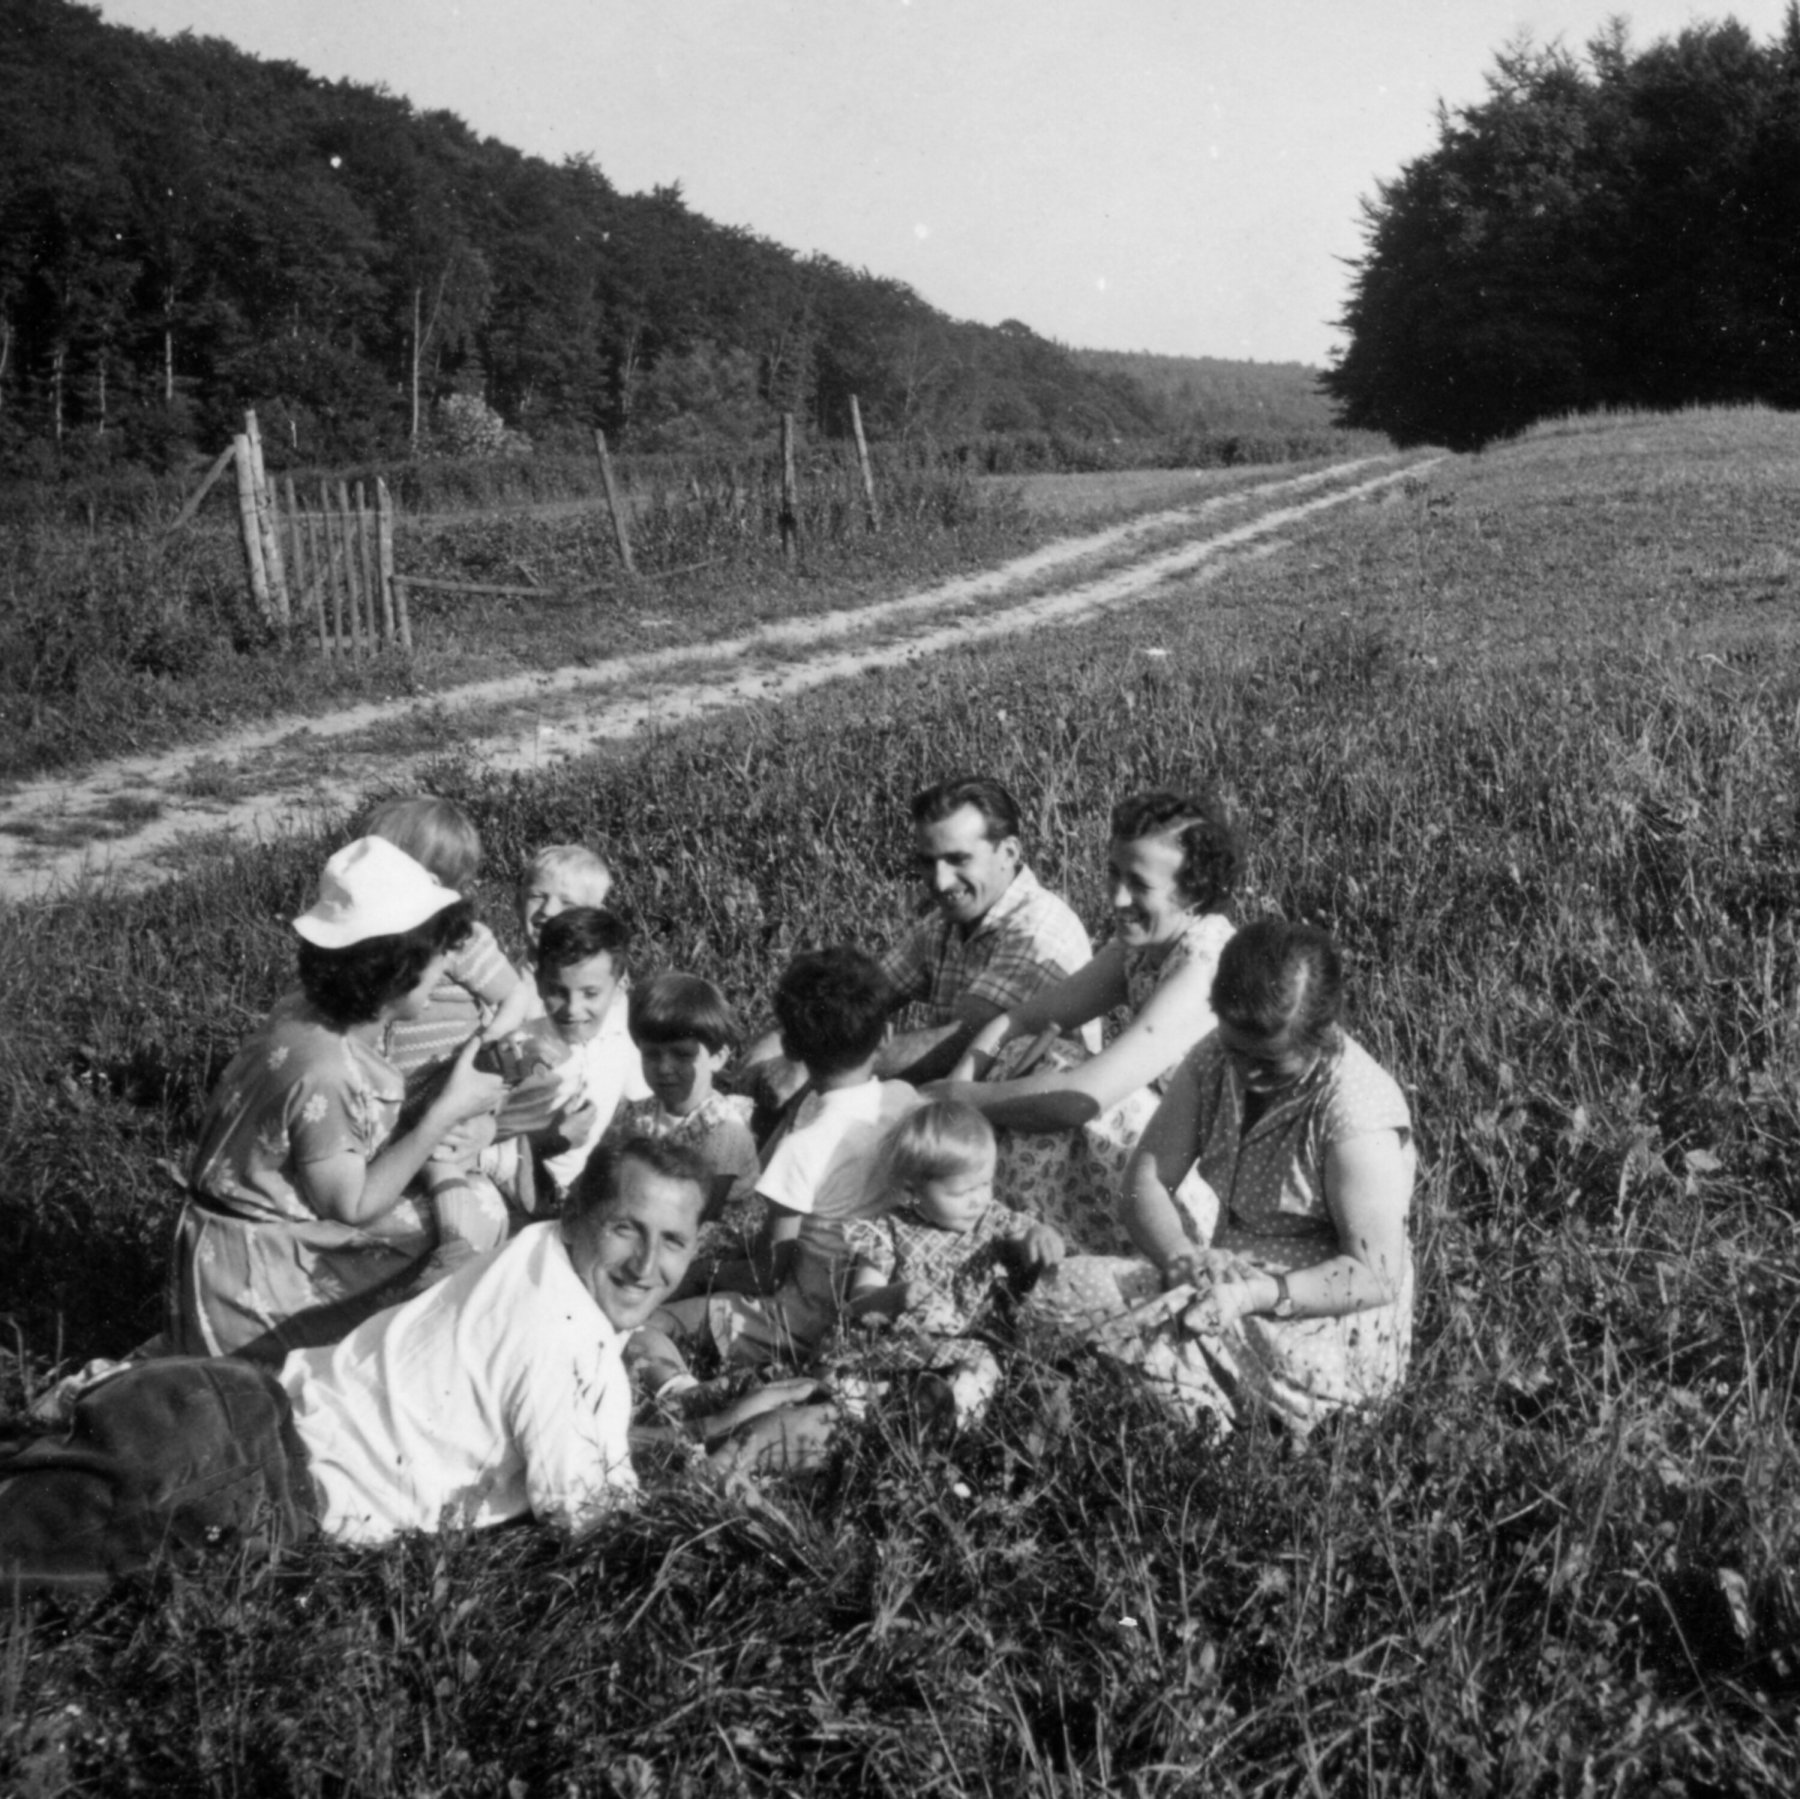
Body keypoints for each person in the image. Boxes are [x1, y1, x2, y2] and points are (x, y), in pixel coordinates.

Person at [0, 1139, 708, 1590]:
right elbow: (592, 1520)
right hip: (235, 1481)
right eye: (627, 1228)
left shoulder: (539, 1250)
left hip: (223, 1400)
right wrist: (729, 1462)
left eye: (673, 1240)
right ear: (581, 1210)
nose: (648, 1264)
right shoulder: (566, 1339)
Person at [1024, 920, 1415, 1434]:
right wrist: (1179, 1257)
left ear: (1321, 1035)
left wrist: (1259, 1294)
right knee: (1060, 1292)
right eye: (1238, 1052)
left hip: (1318, 1329)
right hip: (1223, 1282)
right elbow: (1146, 1181)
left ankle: (1224, 1426)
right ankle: (1193, 1405)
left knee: (1105, 1320)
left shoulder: (1355, 1114)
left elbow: (1373, 1275)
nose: (1247, 1075)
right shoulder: (1215, 1058)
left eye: (1270, 1063)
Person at [166, 838, 508, 1363]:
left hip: (230, 1244)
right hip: (252, 1278)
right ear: (397, 972)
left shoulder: (305, 1014)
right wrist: (444, 1114)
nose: (446, 972)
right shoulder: (329, 1070)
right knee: (475, 1210)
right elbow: (350, 1206)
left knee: (457, 1199)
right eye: (439, 959)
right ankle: (388, 1355)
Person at [933, 788, 1241, 1251]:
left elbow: (1082, 1099)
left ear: (1193, 891)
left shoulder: (1204, 966)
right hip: (1163, 1149)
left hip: (1203, 1178)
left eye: (1139, 884)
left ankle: (1043, 1247)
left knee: (1069, 1090)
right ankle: (1009, 1235)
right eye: (1113, 874)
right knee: (1025, 1055)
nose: (1117, 898)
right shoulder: (1143, 946)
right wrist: (960, 1088)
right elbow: (1019, 1020)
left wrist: (965, 1099)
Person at [654, 947, 921, 1370]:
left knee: (657, 1323)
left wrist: (708, 1273)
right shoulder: (906, 1100)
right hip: (876, 1289)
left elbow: (768, 1273)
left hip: (803, 1320)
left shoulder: (801, 1146)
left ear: (791, 1049)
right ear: (886, 1036)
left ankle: (681, 1391)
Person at [366, 794, 538, 1235]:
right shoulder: (377, 938)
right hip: (396, 1088)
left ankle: (455, 1242)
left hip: (444, 1078)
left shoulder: (459, 939)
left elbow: (514, 997)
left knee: (438, 1161)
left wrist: (479, 1052)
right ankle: (496, 1162)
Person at [840, 1100, 1064, 1426]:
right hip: (899, 1346)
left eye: (985, 1184)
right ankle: (869, 1412)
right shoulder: (888, 1230)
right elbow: (860, 1299)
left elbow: (1022, 1238)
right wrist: (895, 1296)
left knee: (976, 1376)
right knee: (847, 1379)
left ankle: (945, 1420)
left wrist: (1039, 1236)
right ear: (912, 1190)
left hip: (971, 1345)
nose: (978, 1200)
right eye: (961, 1193)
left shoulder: (993, 1221)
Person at [876, 774, 1096, 1082]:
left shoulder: (1037, 930)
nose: (940, 881)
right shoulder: (947, 921)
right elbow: (864, 994)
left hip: (1030, 1118)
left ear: (1009, 853)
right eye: (928, 862)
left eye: (958, 860)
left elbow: (958, 1046)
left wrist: (831, 1060)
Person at [609, 973, 761, 1264]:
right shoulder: (639, 1113)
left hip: (713, 1237)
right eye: (651, 1055)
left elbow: (705, 1214)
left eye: (681, 1055)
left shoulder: (723, 1130)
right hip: (659, 1215)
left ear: (717, 1058)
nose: (664, 1068)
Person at [530, 908, 651, 1201]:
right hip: (524, 1183)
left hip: (585, 1187)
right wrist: (552, 1140)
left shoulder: (624, 1037)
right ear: (539, 983)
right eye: (558, 991)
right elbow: (491, 1143)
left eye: (591, 993)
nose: (573, 1009)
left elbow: (643, 1108)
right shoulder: (522, 1045)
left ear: (620, 988)